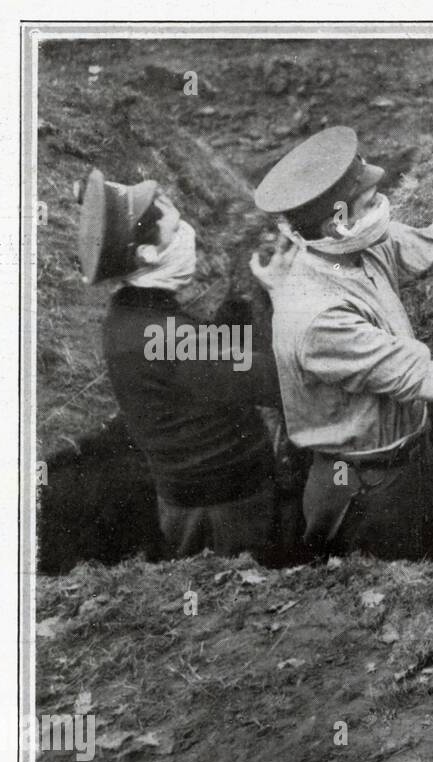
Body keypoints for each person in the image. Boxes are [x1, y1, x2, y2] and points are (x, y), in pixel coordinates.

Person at [254, 126, 433, 560]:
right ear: (337, 223)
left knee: (432, 559)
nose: (381, 210)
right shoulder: (317, 317)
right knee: (398, 590)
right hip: (363, 486)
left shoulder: (356, 247)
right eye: (369, 204)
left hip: (408, 457)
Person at [79, 168, 282, 560]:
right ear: (148, 254)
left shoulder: (129, 318)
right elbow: (271, 381)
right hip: (227, 507)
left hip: (191, 499)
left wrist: (238, 302)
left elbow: (202, 365)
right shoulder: (166, 338)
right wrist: (278, 294)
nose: (187, 233)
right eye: (175, 230)